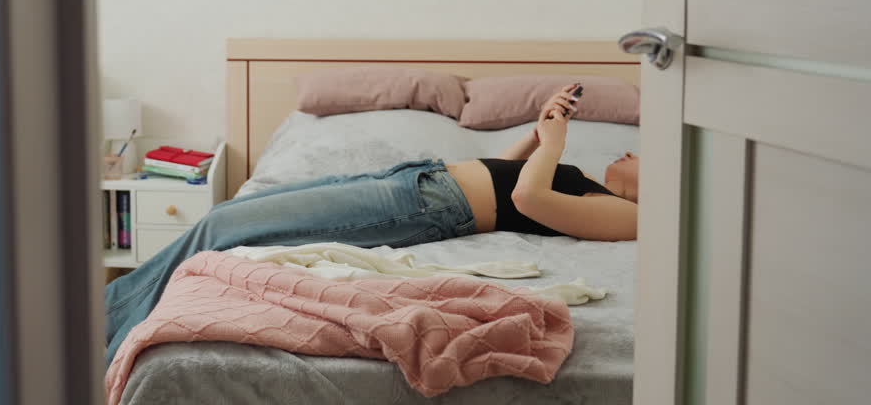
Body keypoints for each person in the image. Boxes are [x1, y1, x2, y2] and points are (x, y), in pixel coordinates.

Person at [104, 83, 639, 364]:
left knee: (223, 231)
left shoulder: (630, 216)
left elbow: (528, 195)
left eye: (640, 159)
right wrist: (539, 129)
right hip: (416, 180)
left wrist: (557, 144)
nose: (631, 153)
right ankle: (108, 317)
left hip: (426, 206)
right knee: (223, 216)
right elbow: (511, 173)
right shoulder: (597, 186)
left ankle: (103, 332)